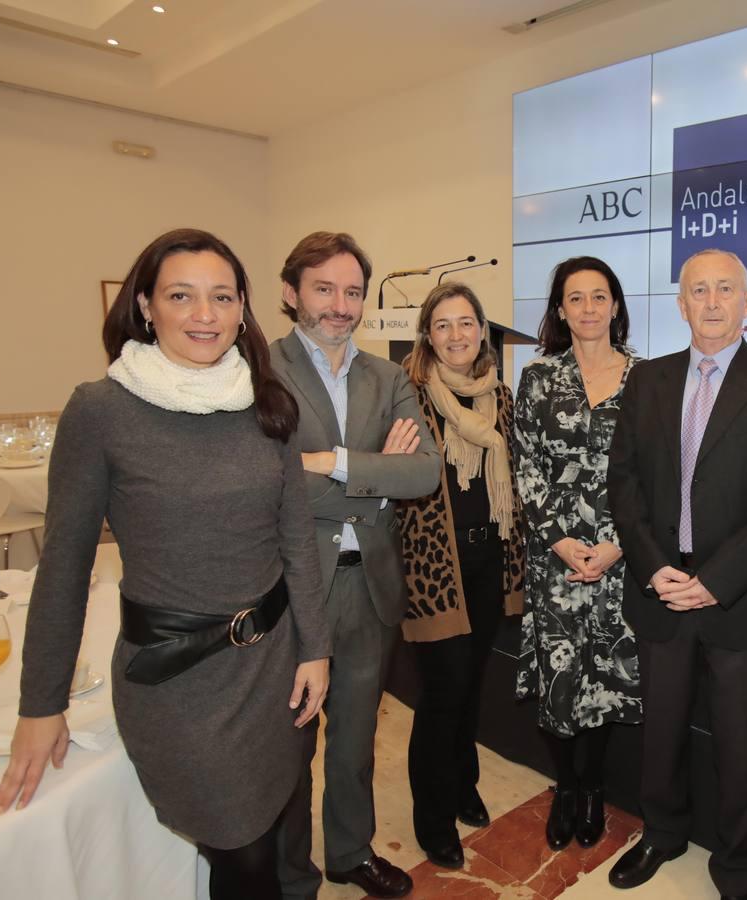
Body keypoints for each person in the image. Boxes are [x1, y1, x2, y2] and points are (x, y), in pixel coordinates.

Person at [0, 228, 331, 900]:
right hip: (177, 681)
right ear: (146, 306)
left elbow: (295, 537)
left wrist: (315, 649)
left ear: (243, 309)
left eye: (222, 297)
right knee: (244, 859)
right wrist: (41, 705)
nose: (205, 314)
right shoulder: (103, 411)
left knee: (270, 838)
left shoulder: (268, 404)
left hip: (272, 668)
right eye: (183, 296)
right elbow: (63, 567)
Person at [607, 249, 747, 899]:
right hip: (662, 588)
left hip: (741, 596)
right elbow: (625, 483)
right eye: (699, 289)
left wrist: (716, 580)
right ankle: (663, 833)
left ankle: (738, 867)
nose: (714, 300)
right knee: (661, 729)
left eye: (727, 288)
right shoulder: (647, 381)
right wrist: (656, 567)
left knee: (743, 745)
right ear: (681, 304)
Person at [271, 231, 441, 900]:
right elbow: (269, 481)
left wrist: (333, 462)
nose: (341, 305)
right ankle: (288, 875)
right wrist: (376, 471)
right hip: (292, 588)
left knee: (356, 738)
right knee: (290, 743)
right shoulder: (261, 371)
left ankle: (349, 851)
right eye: (324, 289)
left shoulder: (387, 376)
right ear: (292, 293)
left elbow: (423, 472)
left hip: (368, 583)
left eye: (352, 291)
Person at [514, 256, 643, 851]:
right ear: (560, 310)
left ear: (615, 305)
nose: (589, 308)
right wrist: (560, 540)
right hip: (554, 558)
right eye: (576, 298)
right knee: (560, 677)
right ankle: (566, 787)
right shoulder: (538, 377)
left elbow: (655, 473)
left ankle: (592, 790)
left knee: (604, 677)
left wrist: (615, 544)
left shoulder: (649, 380)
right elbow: (526, 466)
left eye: (599, 297)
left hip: (621, 559)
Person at [398, 281, 525, 870]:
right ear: (428, 333)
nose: (456, 335)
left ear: (482, 329)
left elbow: (519, 474)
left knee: (471, 687)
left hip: (486, 563)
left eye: (467, 322)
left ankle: (463, 782)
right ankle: (432, 815)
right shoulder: (406, 393)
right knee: (442, 692)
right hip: (433, 569)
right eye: (443, 324)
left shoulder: (499, 396)